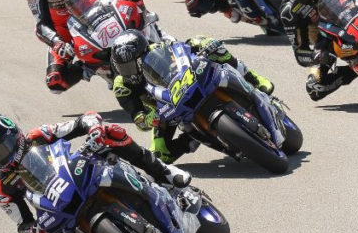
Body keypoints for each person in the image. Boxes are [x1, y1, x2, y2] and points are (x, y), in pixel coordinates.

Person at [0, 112, 190, 233]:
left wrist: (93, 129)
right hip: (55, 207)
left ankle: (165, 172)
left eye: (1, 148)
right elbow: (22, 224)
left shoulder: (39, 135)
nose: (0, 157)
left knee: (111, 133)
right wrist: (32, 231)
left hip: (77, 171)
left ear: (14, 136)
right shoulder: (2, 187)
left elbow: (81, 121)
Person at [109, 31, 275, 162]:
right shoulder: (122, 86)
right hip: (164, 112)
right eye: (123, 68)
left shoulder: (158, 48)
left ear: (141, 56)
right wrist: (147, 119)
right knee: (161, 155)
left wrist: (204, 46)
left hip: (188, 84)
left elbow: (184, 50)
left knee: (210, 46)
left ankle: (253, 78)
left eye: (130, 66)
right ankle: (192, 137)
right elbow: (136, 116)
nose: (127, 72)